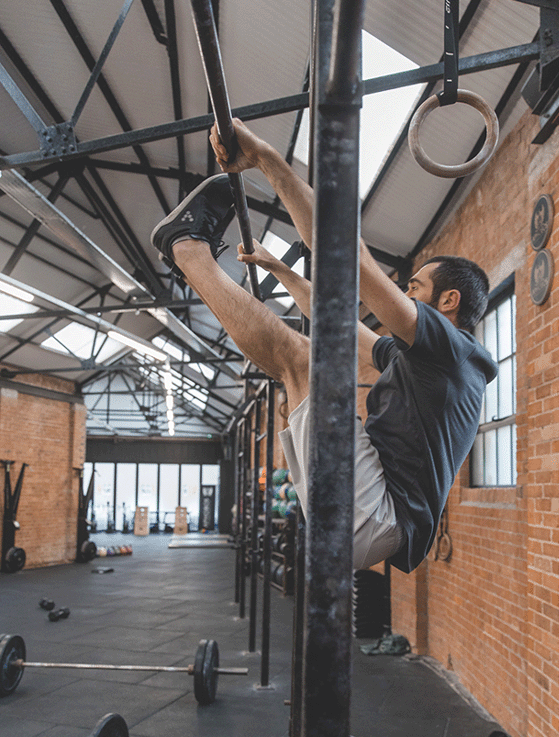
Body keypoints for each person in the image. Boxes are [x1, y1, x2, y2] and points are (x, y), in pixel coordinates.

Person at [151, 118, 498, 573]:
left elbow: (347, 260)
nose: (406, 296)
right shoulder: (418, 363)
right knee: (306, 358)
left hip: (376, 512)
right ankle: (188, 252)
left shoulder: (451, 350)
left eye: (414, 288)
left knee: (301, 361)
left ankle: (186, 248)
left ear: (448, 301)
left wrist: (268, 161)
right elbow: (339, 322)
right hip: (371, 510)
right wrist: (284, 272)